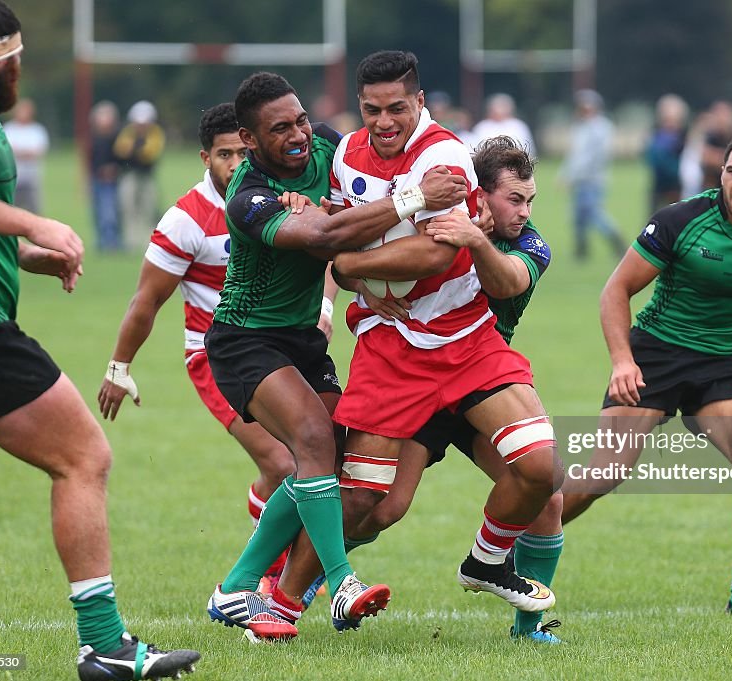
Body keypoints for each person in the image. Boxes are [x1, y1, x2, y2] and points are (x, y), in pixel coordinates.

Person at [0, 1, 200, 680]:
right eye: (18, 57)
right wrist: (37, 223)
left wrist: (24, 255)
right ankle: (106, 644)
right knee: (84, 455)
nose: (21, 69)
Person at [267, 51, 560, 637]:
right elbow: (335, 236)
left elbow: (434, 253)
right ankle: (279, 602)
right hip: (392, 346)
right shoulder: (347, 155)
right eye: (372, 109)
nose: (384, 121)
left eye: (397, 107)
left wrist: (354, 263)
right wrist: (349, 267)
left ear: (419, 102)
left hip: (469, 345)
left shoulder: (450, 160)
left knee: (542, 470)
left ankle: (488, 565)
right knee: (370, 505)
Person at [202, 70, 469, 640]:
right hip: (245, 339)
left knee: (328, 456)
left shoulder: (332, 145)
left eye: (300, 119)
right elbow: (324, 240)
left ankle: (236, 586)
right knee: (314, 442)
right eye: (280, 129)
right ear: (250, 141)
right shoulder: (246, 197)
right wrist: (416, 198)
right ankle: (342, 581)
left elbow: (352, 213)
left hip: (301, 338)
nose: (300, 134)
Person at [561, 132, 732, 617]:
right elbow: (616, 291)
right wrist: (622, 360)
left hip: (721, 364)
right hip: (655, 355)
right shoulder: (681, 220)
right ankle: (511, 542)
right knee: (605, 474)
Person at [98, 102, 330, 591]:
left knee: (321, 454)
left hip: (290, 344)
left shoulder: (281, 189)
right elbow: (147, 301)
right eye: (224, 154)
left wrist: (326, 308)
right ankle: (263, 580)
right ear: (205, 157)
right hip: (219, 355)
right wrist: (119, 366)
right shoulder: (185, 220)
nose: (236, 164)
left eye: (242, 152)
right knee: (286, 461)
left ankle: (272, 540)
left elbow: (324, 247)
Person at [350, 135, 563, 643]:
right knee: (381, 509)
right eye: (515, 199)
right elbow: (357, 250)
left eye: (530, 200)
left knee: (545, 490)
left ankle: (525, 622)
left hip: (478, 385)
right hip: (418, 379)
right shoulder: (430, 229)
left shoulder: (527, 243)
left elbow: (508, 282)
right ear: (478, 193)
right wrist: (360, 289)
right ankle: (300, 577)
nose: (525, 212)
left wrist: (476, 238)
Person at [559, 88, 627, 260]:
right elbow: (575, 155)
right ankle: (581, 251)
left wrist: (573, 175)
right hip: (580, 180)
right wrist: (566, 174)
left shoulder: (601, 127)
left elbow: (594, 157)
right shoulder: (580, 127)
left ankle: (617, 240)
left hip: (592, 180)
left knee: (594, 215)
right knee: (578, 218)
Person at [114, 99, 165, 250]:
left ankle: (148, 242)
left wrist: (134, 150)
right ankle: (131, 242)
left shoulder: (156, 133)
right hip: (130, 175)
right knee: (128, 208)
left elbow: (149, 153)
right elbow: (121, 150)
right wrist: (136, 149)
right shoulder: (128, 132)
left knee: (148, 209)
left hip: (147, 177)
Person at [2, 96, 48, 213]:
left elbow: (38, 151)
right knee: (11, 210)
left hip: (32, 178)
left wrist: (20, 152)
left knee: (34, 211)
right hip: (13, 178)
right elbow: (7, 151)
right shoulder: (9, 129)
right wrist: (25, 152)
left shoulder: (37, 130)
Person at [88, 100, 123, 252]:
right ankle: (102, 242)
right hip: (96, 179)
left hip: (110, 181)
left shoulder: (117, 137)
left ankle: (112, 242)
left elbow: (121, 159)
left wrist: (113, 169)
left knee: (110, 212)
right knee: (97, 211)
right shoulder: (93, 138)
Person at [645, 93, 689, 212]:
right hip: (659, 186)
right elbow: (651, 159)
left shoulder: (684, 137)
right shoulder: (656, 136)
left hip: (677, 187)